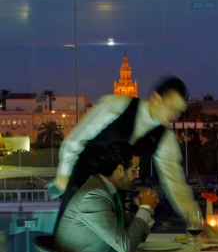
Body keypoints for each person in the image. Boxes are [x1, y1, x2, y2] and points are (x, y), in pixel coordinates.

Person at [50, 75, 200, 230]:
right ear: (156, 98)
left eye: (179, 112)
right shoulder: (117, 104)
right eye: (172, 107)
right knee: (71, 243)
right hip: (82, 188)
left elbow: (176, 184)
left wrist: (196, 221)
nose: (174, 115)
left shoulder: (165, 138)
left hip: (115, 202)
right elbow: (77, 138)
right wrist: (64, 173)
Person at [54, 141, 159, 252]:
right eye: (134, 170)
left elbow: (131, 236)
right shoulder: (94, 196)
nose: (136, 176)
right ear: (119, 169)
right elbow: (125, 245)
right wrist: (145, 209)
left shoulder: (105, 192)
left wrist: (147, 212)